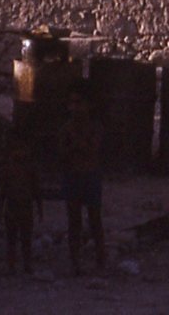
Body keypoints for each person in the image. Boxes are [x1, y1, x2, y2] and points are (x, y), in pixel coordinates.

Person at [59, 80, 106, 274]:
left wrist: (76, 146)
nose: (74, 108)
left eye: (78, 103)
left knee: (94, 219)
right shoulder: (67, 128)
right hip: (73, 175)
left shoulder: (93, 128)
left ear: (89, 105)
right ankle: (75, 262)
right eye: (71, 103)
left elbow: (92, 149)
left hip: (90, 175)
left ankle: (100, 260)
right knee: (74, 220)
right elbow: (62, 152)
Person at [0, 133, 43, 275]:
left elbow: (37, 190)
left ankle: (26, 264)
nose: (20, 153)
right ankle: (12, 265)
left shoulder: (31, 169)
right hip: (12, 206)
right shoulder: (6, 169)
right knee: (12, 238)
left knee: (25, 238)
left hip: (25, 206)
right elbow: (1, 192)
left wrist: (40, 209)